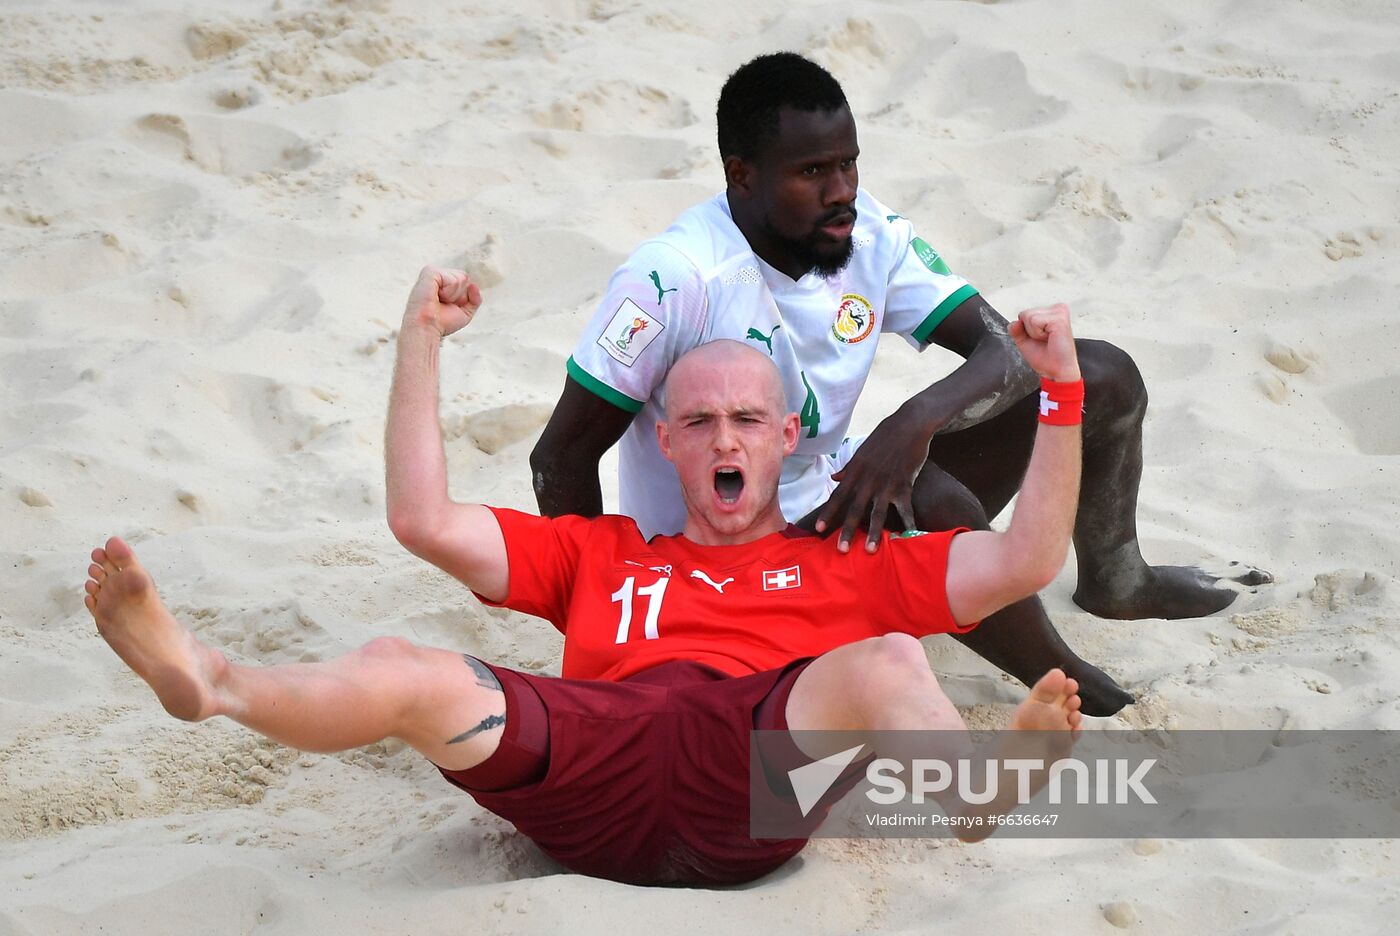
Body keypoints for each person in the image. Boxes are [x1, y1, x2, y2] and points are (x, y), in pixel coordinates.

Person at [86, 267, 1087, 887]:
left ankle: (972, 799)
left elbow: (1024, 559)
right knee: (409, 667)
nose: (723, 438)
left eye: (746, 420)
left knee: (883, 658)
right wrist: (420, 343)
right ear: (665, 442)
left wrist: (1060, 395)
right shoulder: (603, 551)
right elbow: (421, 522)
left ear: (788, 438)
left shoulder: (846, 559)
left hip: (749, 782)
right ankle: (212, 683)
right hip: (585, 767)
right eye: (697, 422)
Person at [530, 52, 1270, 717]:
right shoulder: (672, 279)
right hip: (718, 562)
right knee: (934, 500)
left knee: (1101, 375)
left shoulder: (867, 233)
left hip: (832, 484)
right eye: (813, 172)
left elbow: (1006, 349)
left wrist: (912, 421)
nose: (842, 190)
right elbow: (558, 458)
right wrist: (614, 614)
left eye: (849, 163)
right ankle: (1066, 675)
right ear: (742, 175)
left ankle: (1117, 579)